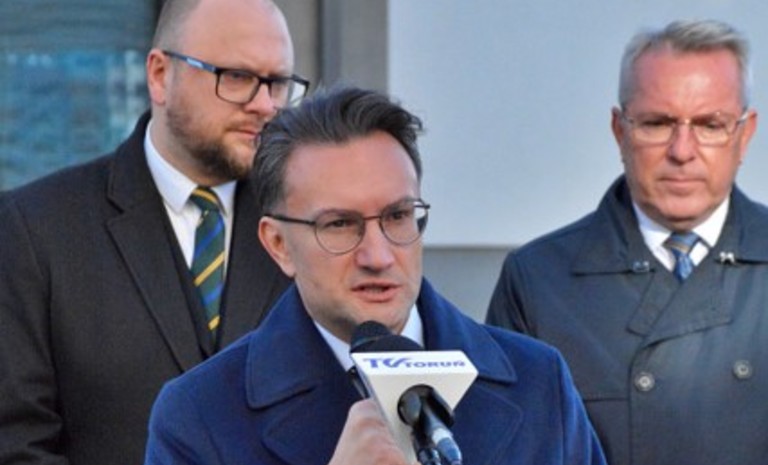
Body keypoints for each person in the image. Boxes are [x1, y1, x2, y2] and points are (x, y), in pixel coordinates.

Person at [142, 86, 606, 465]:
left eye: (398, 216)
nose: (378, 255)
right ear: (278, 244)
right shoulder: (200, 414)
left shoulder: (538, 382)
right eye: (340, 225)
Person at [0, 0, 305, 463]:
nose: (265, 105)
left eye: (278, 83)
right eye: (236, 77)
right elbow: (17, 444)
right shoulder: (34, 228)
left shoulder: (309, 227)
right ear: (161, 75)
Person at [486, 19, 766, 465]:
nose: (682, 151)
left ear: (744, 134)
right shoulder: (539, 281)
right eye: (657, 123)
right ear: (620, 131)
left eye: (710, 125)